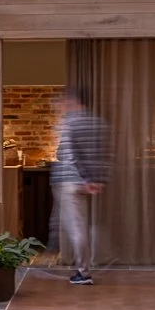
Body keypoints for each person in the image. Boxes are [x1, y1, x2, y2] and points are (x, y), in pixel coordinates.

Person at [52, 88, 111, 284]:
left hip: (70, 181)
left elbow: (67, 154)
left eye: (61, 102)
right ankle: (84, 266)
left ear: (71, 101)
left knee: (76, 228)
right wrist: (98, 180)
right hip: (88, 182)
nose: (59, 107)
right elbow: (105, 155)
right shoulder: (98, 123)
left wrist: (86, 178)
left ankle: (83, 272)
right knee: (81, 225)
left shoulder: (69, 123)